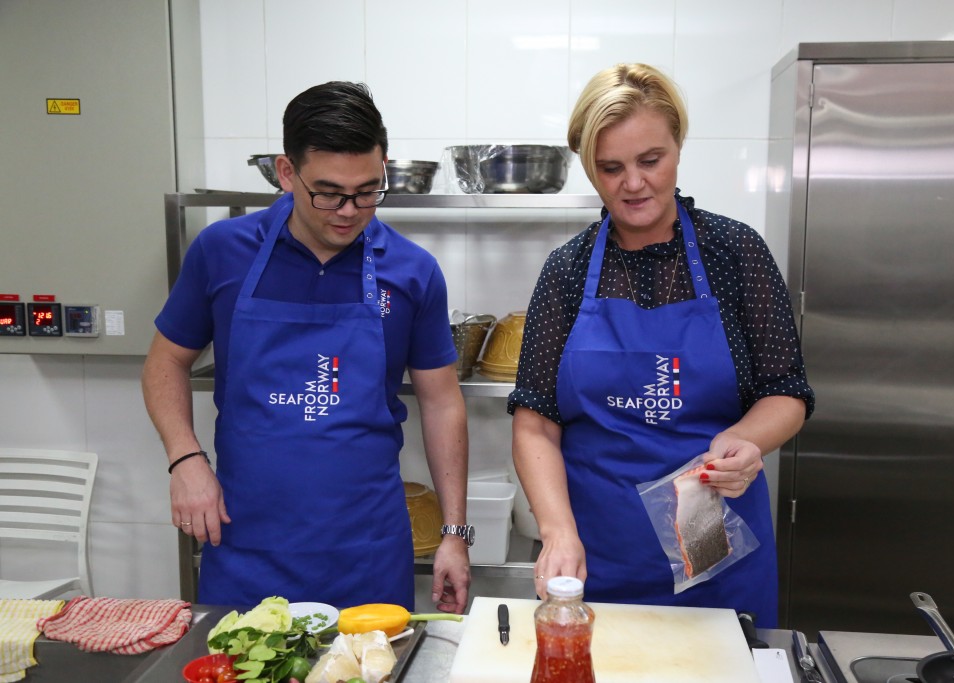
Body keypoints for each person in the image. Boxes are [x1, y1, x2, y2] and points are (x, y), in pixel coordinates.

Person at [142, 81, 471, 613]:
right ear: (286, 172)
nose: (348, 210)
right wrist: (185, 460)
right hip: (246, 543)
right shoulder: (222, 252)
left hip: (367, 552)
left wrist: (455, 531)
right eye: (328, 191)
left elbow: (441, 401)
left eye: (367, 190)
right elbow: (164, 363)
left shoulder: (412, 271)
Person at [509, 64, 814, 626]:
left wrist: (747, 440)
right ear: (590, 170)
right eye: (611, 168)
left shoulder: (735, 253)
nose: (633, 183)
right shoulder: (568, 270)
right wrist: (556, 533)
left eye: (651, 160)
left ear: (678, 146)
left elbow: (786, 391)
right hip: (594, 555)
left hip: (716, 554)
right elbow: (535, 420)